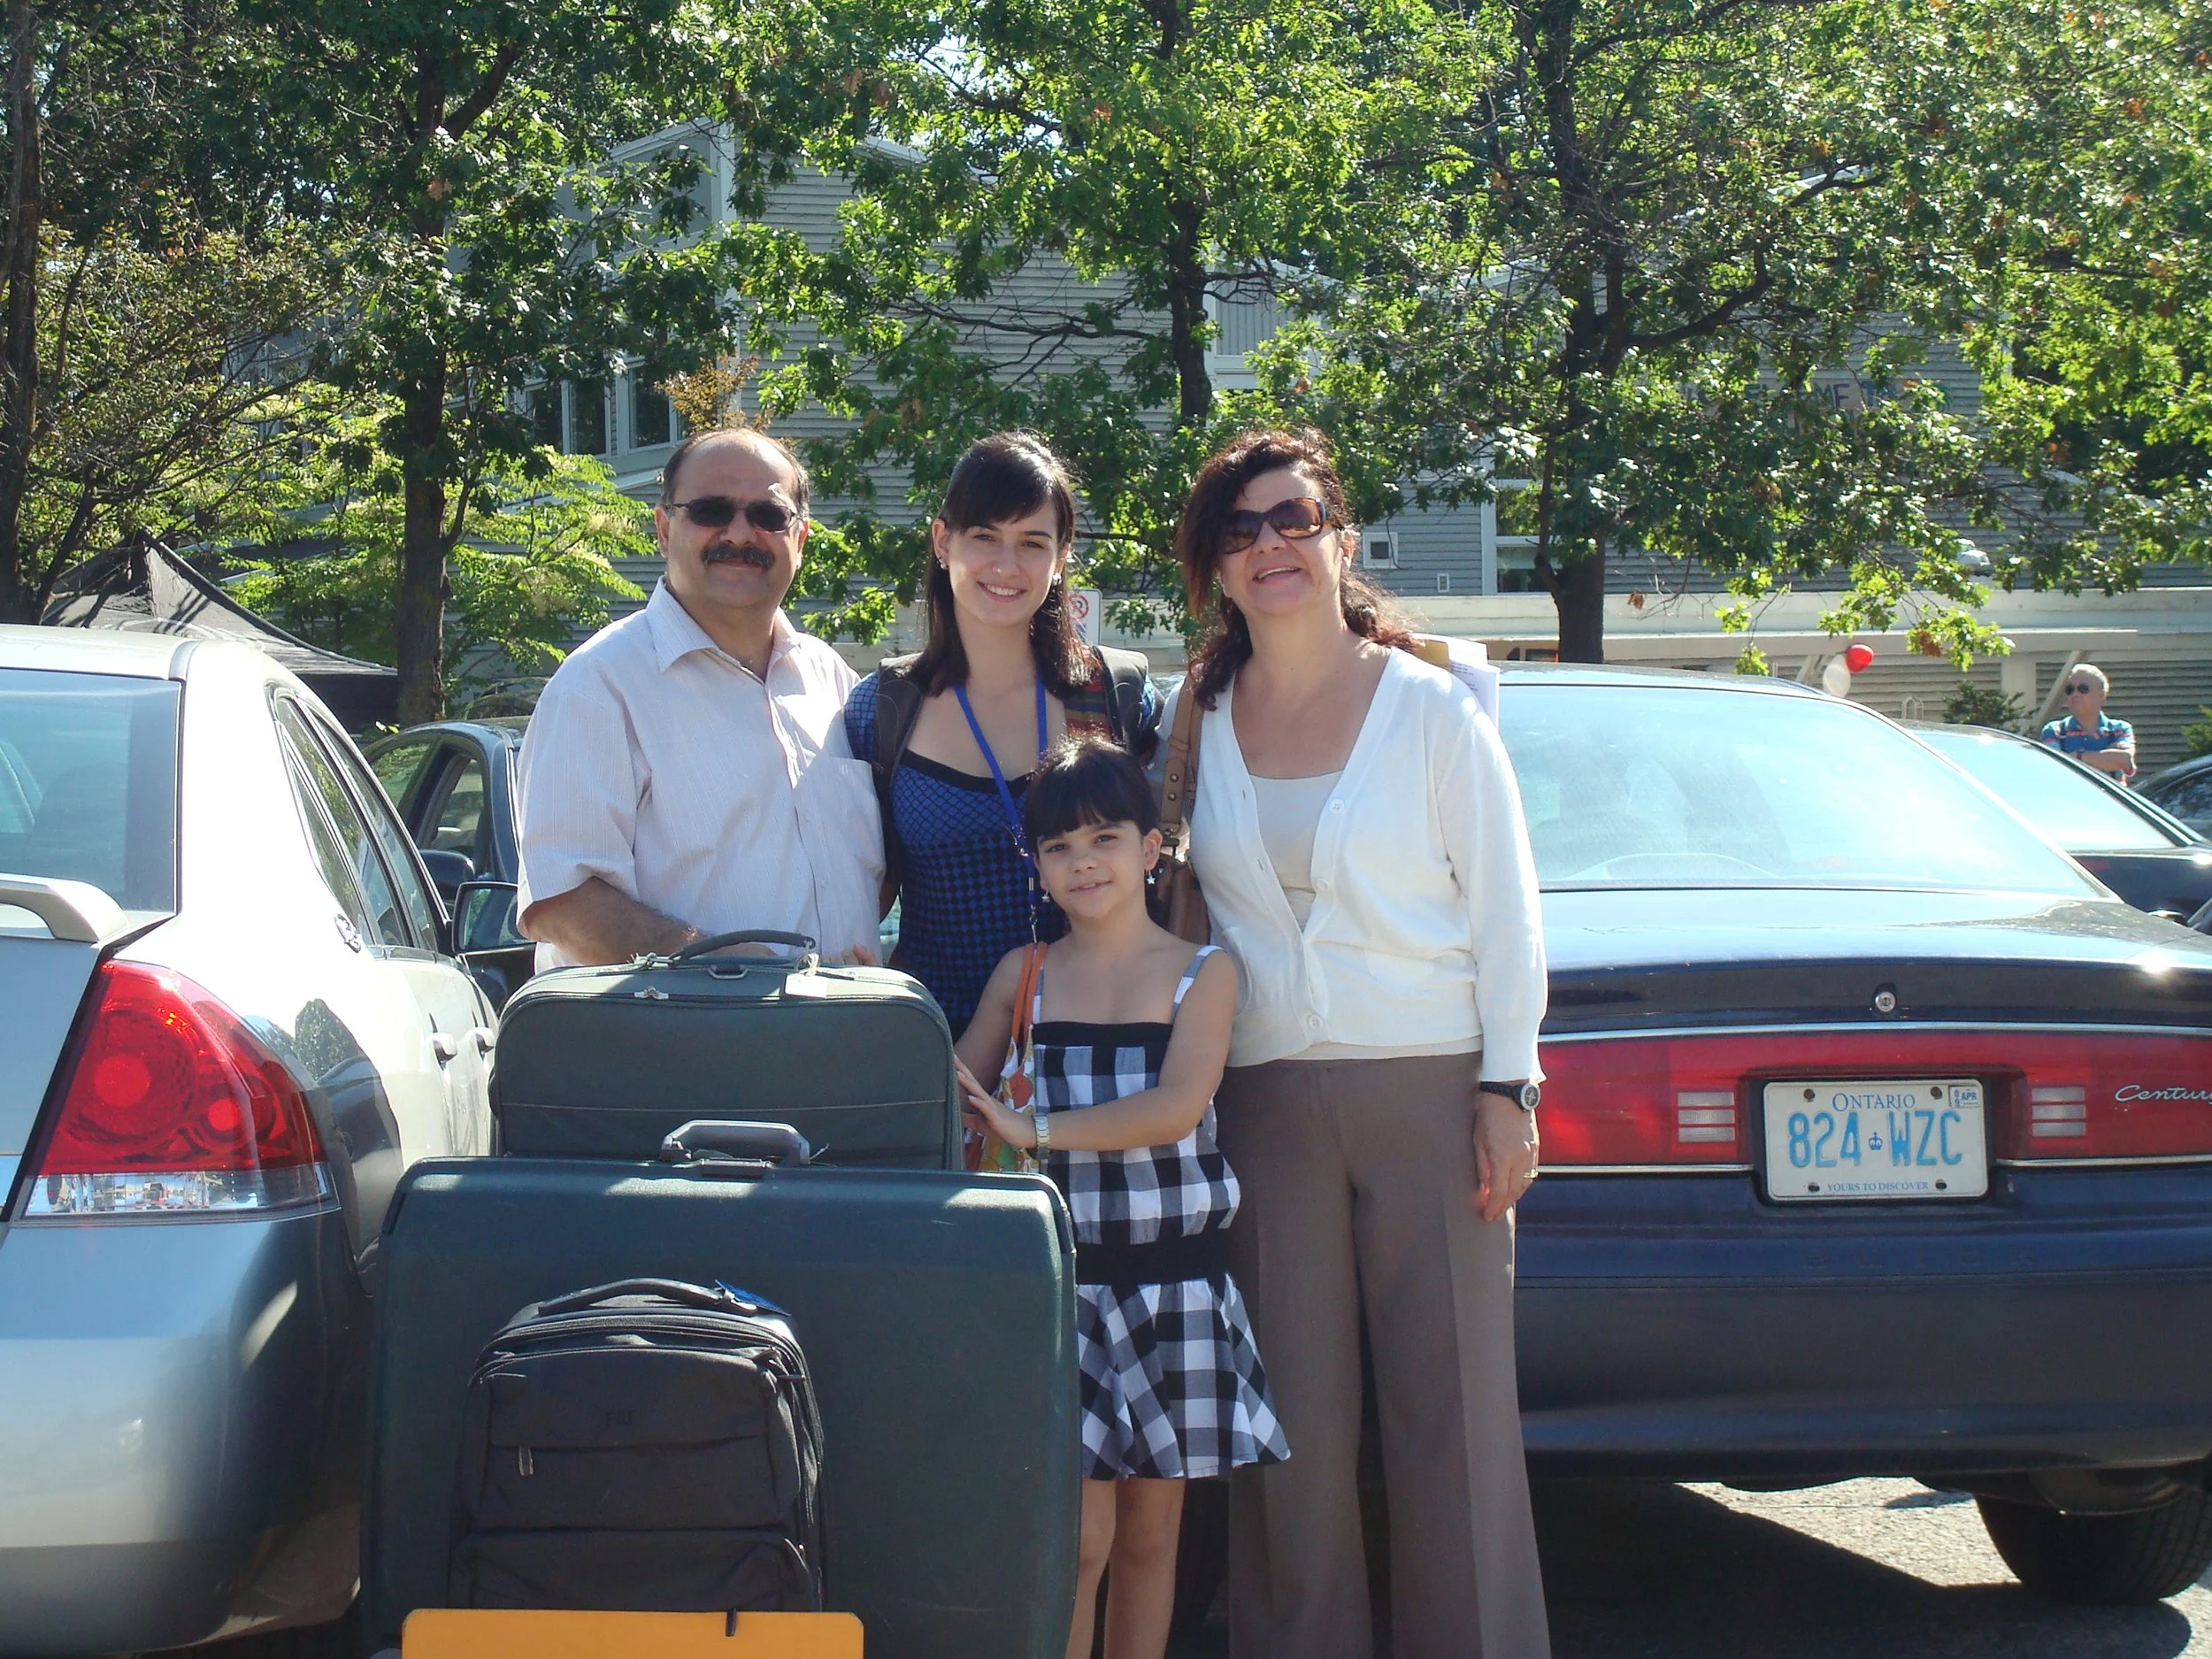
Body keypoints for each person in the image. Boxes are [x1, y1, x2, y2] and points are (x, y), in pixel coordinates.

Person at [1171, 428, 1550, 1658]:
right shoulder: (1199, 713)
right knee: (1289, 1438)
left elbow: (1506, 909)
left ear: (1341, 535)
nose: (1269, 543)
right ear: (1217, 570)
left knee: (1454, 1428)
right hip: (1264, 1099)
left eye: (1291, 518)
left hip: (1432, 1089)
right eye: (1240, 530)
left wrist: (1510, 1084)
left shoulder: (1431, 707)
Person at [955, 737, 1286, 1659]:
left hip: (1172, 1289)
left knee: (1150, 1540)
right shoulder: (1022, 974)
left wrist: (1043, 1134)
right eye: (1057, 847)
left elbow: (1177, 1106)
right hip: (1054, 1291)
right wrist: (881, 1004)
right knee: (1079, 1540)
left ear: (1151, 848)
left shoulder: (1203, 972)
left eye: (1104, 837)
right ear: (1034, 864)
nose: (1082, 862)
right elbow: (952, 1091)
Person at [516, 426, 883, 967]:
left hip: (842, 1038)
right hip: (675, 1046)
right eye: (711, 511)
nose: (740, 533)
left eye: (768, 515)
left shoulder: (832, 682)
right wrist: (718, 966)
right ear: (664, 530)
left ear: (800, 538)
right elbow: (561, 905)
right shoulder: (599, 686)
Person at [844, 433, 1156, 1035]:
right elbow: (860, 888)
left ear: (1062, 555)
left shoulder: (1116, 695)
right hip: (939, 1059)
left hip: (1103, 1051)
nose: (1006, 566)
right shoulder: (882, 710)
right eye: (985, 537)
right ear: (943, 541)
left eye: (1032, 543)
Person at [2039, 664, 2137, 782]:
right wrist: (2105, 758)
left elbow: (2124, 760)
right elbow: (2057, 770)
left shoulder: (2119, 729)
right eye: (2070, 690)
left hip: (2108, 800)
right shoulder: (2055, 730)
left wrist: (2077, 756)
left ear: (2101, 695)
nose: (2075, 694)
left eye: (2083, 689)